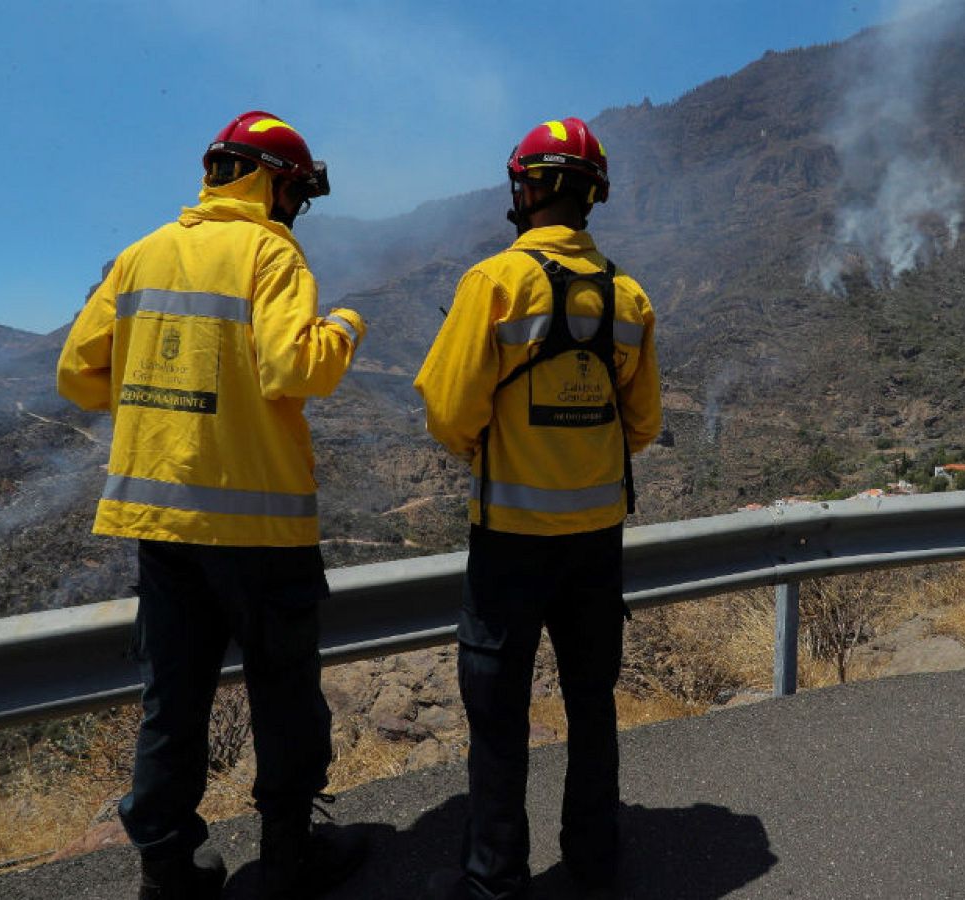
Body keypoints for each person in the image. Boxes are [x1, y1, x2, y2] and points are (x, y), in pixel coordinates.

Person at [57, 110, 368, 900]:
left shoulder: (142, 254)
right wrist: (345, 327)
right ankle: (289, 858)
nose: (296, 207)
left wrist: (157, 404)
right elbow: (297, 368)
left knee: (174, 698)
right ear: (273, 181)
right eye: (296, 191)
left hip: (163, 527)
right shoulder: (270, 251)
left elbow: (76, 375)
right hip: (260, 529)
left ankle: (168, 868)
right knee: (284, 694)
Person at [416, 117, 663, 899]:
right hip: (596, 542)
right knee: (591, 705)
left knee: (498, 716)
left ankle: (497, 880)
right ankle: (594, 863)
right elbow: (645, 423)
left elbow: (449, 408)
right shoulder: (628, 296)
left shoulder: (494, 283)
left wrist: (493, 451)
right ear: (594, 195)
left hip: (510, 544)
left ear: (523, 189)